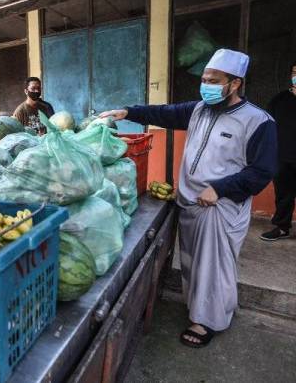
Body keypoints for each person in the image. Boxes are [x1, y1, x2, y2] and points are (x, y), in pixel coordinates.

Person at [99, 49, 277, 348]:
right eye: (204, 79)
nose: (205, 84)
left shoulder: (257, 121)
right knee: (194, 263)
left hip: (220, 206)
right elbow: (164, 113)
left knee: (214, 266)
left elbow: (262, 171)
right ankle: (201, 308)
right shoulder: (198, 110)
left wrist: (221, 188)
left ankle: (208, 321)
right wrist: (128, 112)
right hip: (190, 201)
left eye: (214, 80)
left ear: (234, 84)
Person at [261, 62, 296, 241]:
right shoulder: (279, 100)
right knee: (283, 194)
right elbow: (268, 125)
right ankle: (282, 227)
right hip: (283, 156)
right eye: (294, 72)